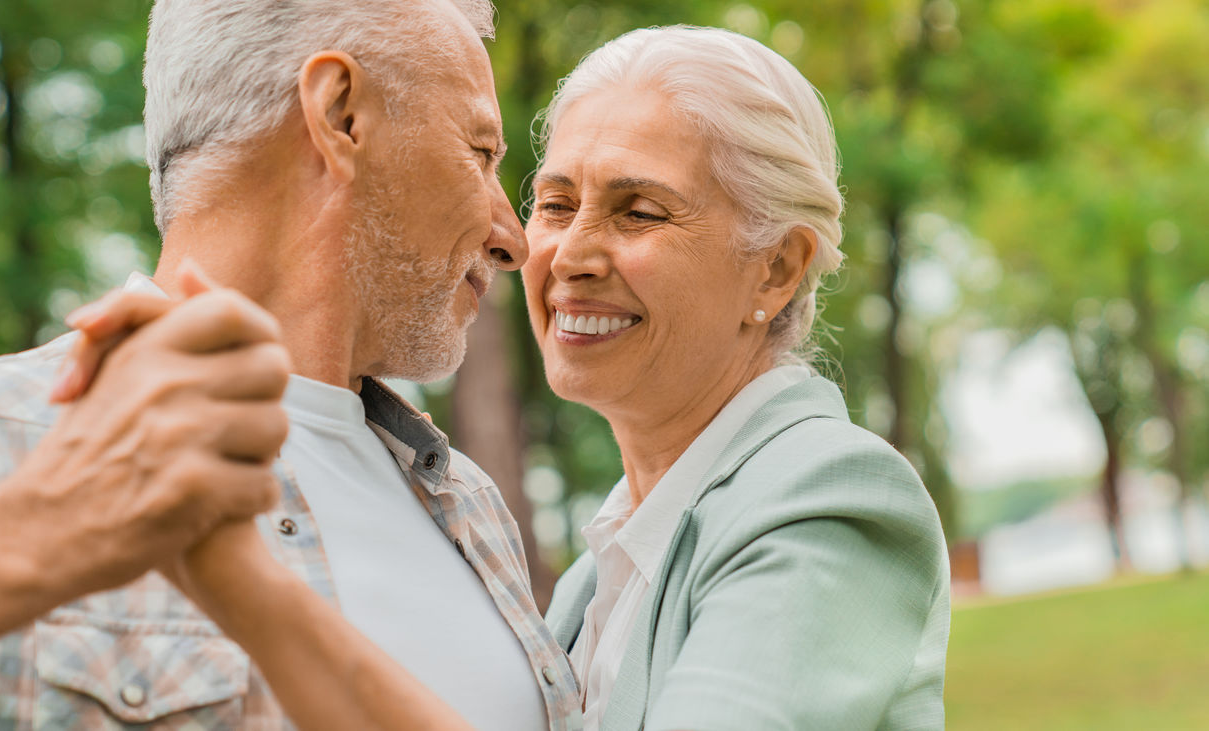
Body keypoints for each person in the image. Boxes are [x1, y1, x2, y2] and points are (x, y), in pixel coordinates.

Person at [67, 23, 950, 731]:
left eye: (638, 210)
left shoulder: (829, 498)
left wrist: (248, 589)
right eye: (557, 201)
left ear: (777, 270)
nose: (560, 251)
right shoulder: (589, 579)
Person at [0, 0, 579, 728]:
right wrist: (44, 524)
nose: (513, 239)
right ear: (341, 114)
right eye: (480, 154)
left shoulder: (472, 506)